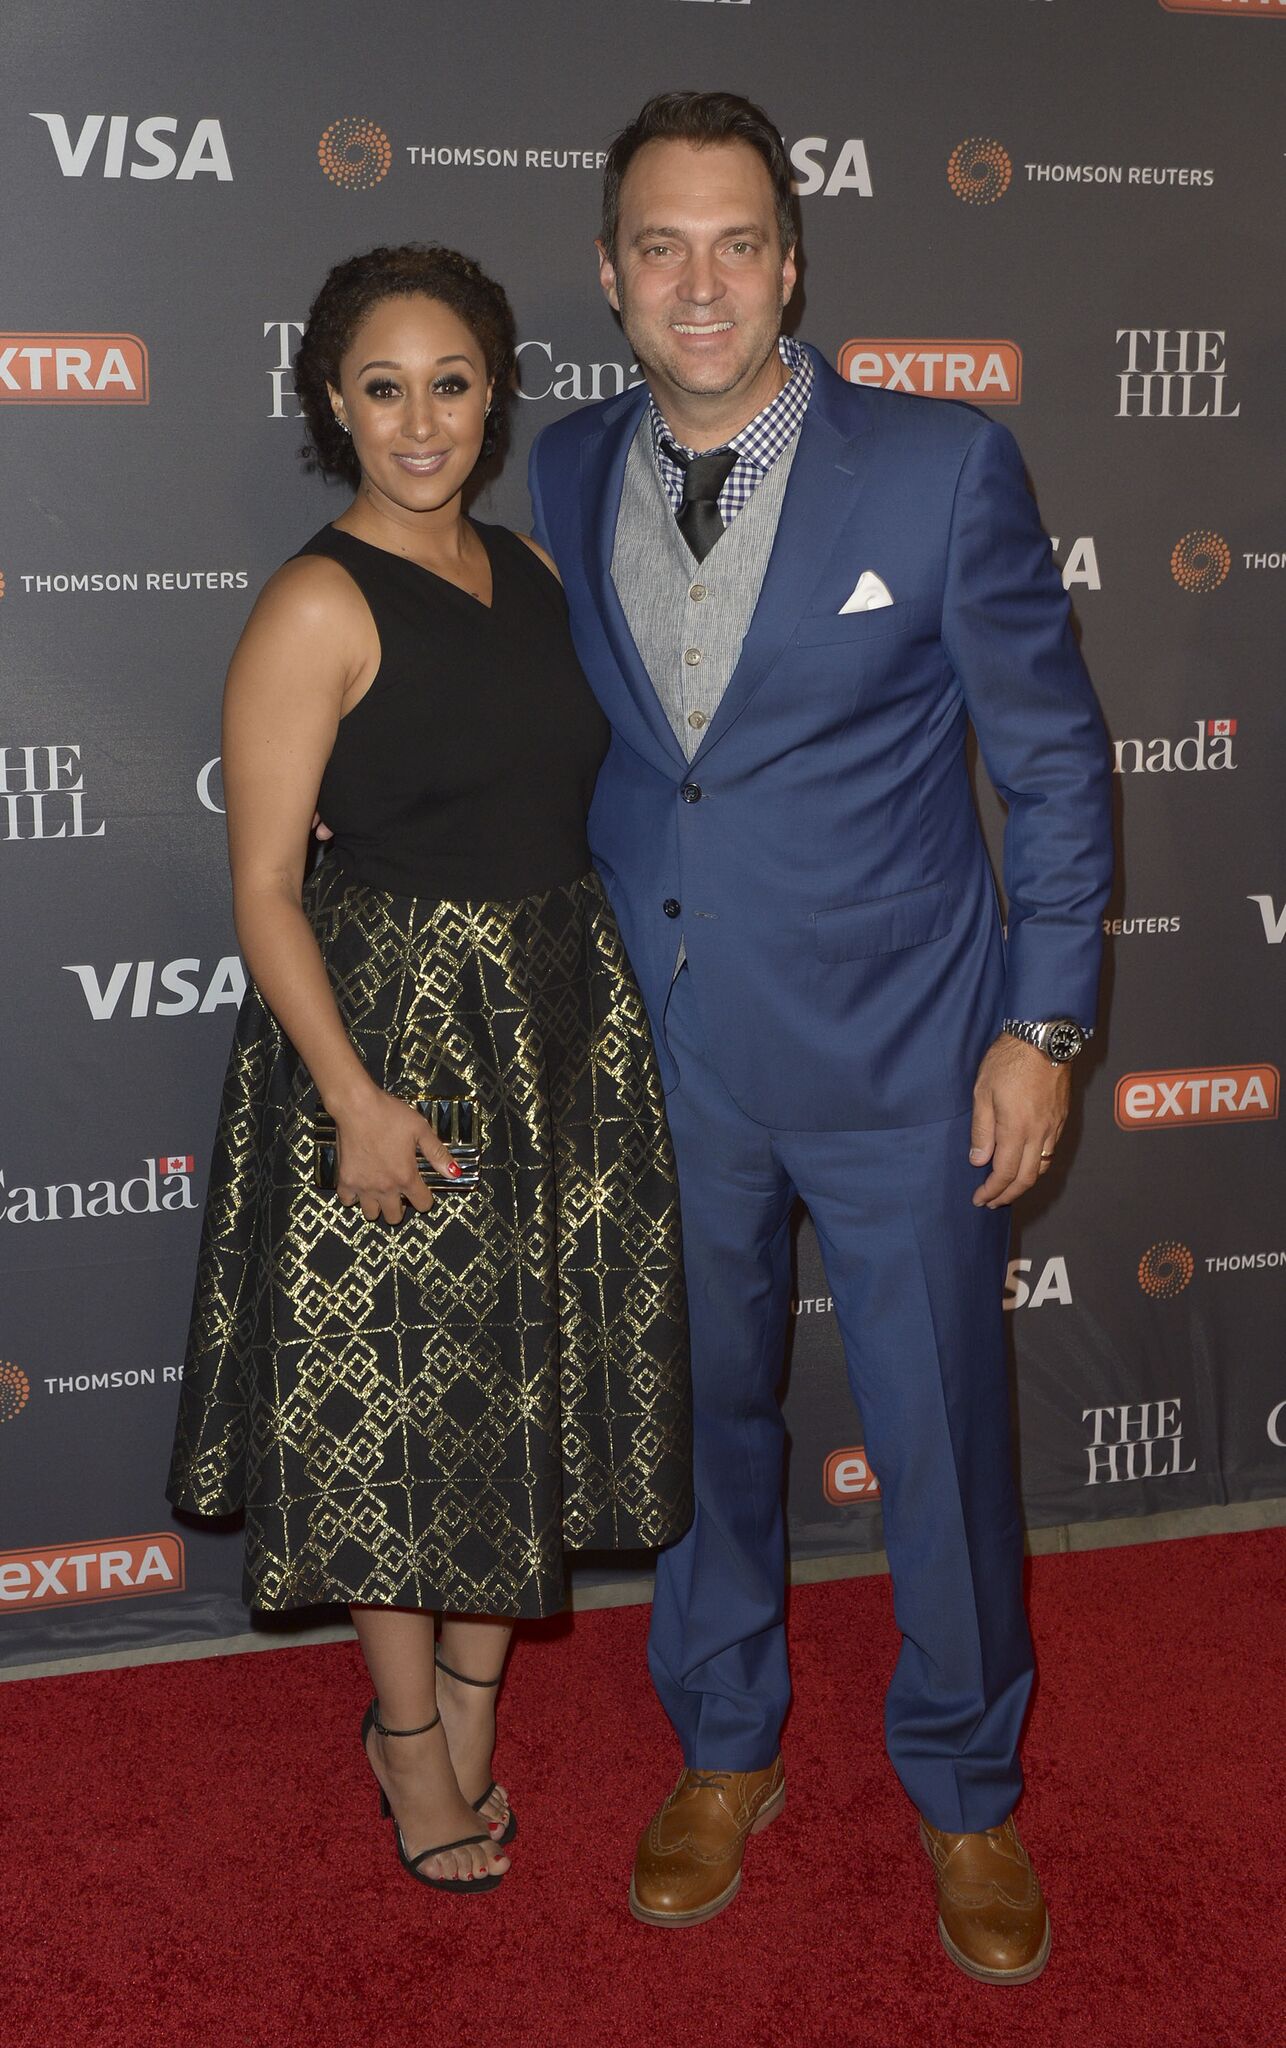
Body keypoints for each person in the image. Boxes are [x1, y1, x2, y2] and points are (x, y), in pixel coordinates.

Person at [528, 92, 1113, 1977]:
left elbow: (1050, 764)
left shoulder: (938, 468)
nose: (700, 285)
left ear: (792, 261)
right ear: (609, 277)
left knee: (939, 1433)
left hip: (901, 1057)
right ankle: (723, 1746)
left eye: (737, 244)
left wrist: (1042, 1024)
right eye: (659, 247)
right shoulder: (556, 467)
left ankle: (961, 1788)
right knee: (704, 1426)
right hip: (667, 1050)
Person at [167, 243, 691, 1897]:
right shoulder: (315, 601)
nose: (419, 420)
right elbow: (262, 887)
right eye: (381, 388)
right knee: (394, 1410)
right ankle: (407, 1743)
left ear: (493, 394)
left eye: (450, 384)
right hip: (385, 1041)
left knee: (509, 1391)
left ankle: (472, 1702)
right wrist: (352, 1098)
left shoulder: (533, 570)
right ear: (333, 400)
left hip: (550, 1027)